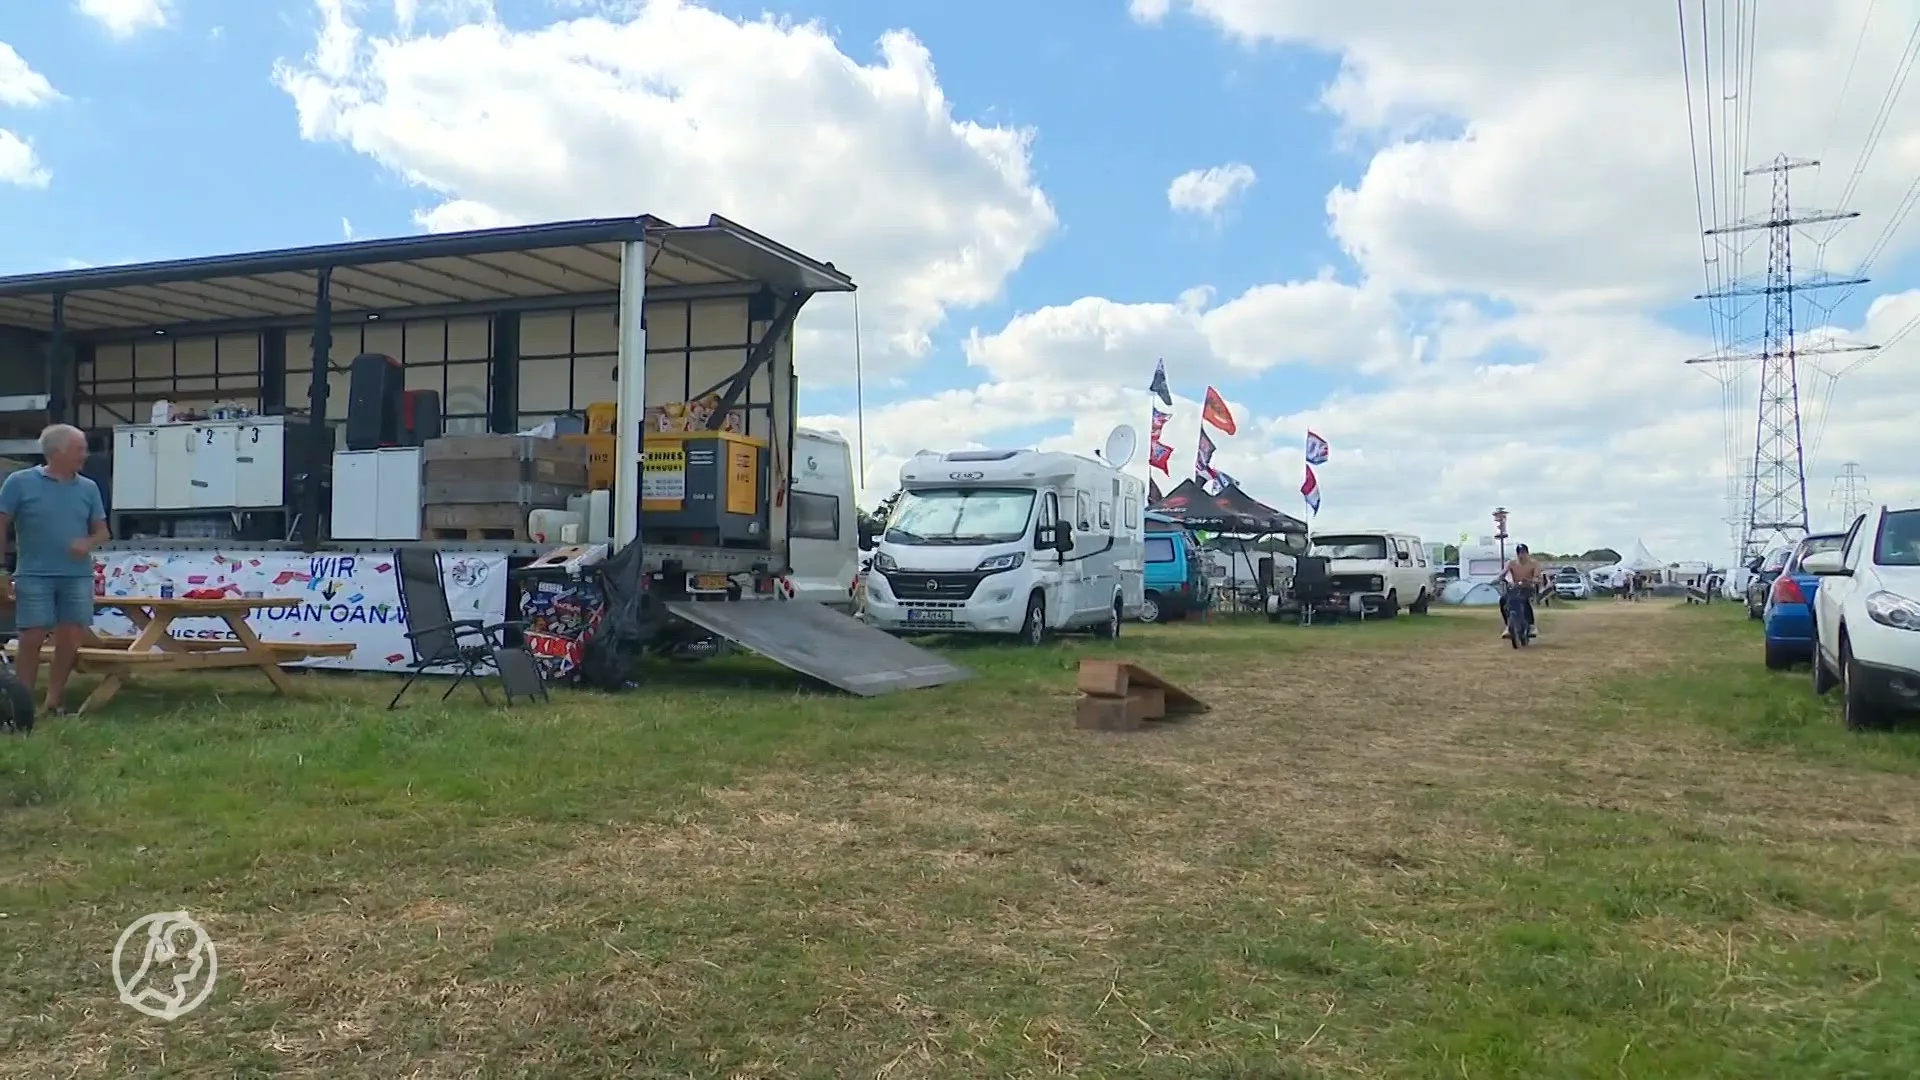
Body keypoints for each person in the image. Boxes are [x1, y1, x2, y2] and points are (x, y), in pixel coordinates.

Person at [0, 425, 109, 715]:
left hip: (77, 576)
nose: (84, 455)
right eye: (79, 449)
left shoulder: (88, 487)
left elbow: (102, 531)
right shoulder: (19, 482)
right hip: (33, 574)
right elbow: (1, 523)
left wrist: (88, 542)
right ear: (57, 451)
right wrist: (1, 570)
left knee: (70, 638)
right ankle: (20, 706)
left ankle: (53, 702)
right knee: (31, 638)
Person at [1496, 543, 1544, 639]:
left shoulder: (1534, 564)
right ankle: (1508, 626)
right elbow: (1504, 572)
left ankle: (1531, 626)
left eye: (1523, 553)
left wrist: (1531, 581)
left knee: (1524, 600)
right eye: (1519, 553)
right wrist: (1499, 578)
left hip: (1528, 587)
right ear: (1517, 554)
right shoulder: (1511, 563)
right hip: (1515, 587)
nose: (1521, 555)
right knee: (1503, 600)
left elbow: (1538, 578)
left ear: (1527, 553)